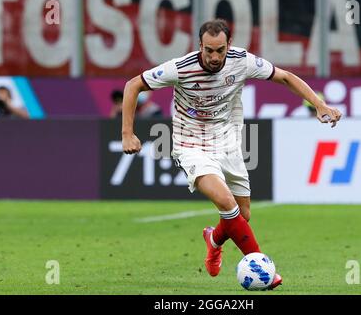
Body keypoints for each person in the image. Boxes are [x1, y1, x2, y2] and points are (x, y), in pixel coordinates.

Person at [121, 19, 341, 289]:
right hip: (190, 144)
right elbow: (133, 85)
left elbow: (285, 77)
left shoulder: (242, 61)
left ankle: (213, 240)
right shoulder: (179, 68)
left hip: (228, 142)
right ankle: (262, 268)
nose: (215, 57)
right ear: (199, 46)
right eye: (209, 50)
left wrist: (319, 105)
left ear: (229, 46)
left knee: (242, 215)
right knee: (226, 202)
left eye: (220, 50)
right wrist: (127, 134)